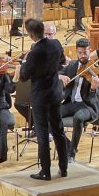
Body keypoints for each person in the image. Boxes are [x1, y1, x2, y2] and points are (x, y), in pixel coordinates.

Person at [22, 18, 72, 181]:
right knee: (58, 130)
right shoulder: (56, 44)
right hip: (55, 93)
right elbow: (62, 61)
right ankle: (63, 168)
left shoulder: (35, 52)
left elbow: (24, 76)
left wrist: (24, 63)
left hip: (40, 97)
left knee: (43, 133)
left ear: (31, 35)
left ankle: (45, 171)